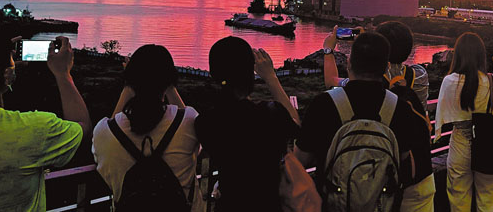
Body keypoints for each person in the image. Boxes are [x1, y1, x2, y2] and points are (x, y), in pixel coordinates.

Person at [321, 22, 434, 212]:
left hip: (381, 175)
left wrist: (329, 50)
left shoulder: (373, 82)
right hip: (419, 172)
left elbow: (331, 81)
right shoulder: (420, 76)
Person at [296, 31, 427, 192]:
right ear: (386, 67)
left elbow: (301, 159)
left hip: (333, 199)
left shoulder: (323, 104)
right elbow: (402, 160)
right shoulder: (400, 108)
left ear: (348, 63)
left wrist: (328, 50)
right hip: (381, 200)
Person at [0, 35, 90, 212]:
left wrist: (0, 74)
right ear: (5, 74)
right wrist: (63, 74)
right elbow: (82, 127)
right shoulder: (33, 129)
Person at [196, 37, 300, 211]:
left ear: (214, 75)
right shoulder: (270, 114)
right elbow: (295, 123)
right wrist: (271, 77)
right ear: (250, 73)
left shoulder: (206, 122)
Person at [92, 44, 199, 207]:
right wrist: (169, 85)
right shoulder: (188, 121)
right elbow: (187, 121)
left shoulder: (104, 131)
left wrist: (129, 85)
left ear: (131, 79)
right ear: (169, 80)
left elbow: (111, 131)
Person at [434, 32, 493, 212]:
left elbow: (442, 116)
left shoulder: (449, 81)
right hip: (488, 142)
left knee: (458, 200)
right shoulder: (492, 81)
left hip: (460, 141)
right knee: (489, 202)